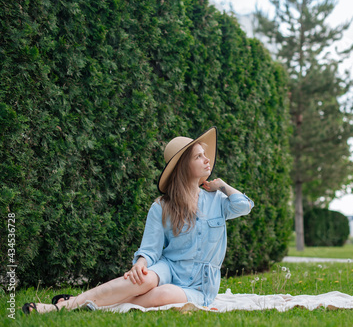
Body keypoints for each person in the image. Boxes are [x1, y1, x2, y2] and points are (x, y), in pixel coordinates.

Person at [22, 127, 254, 314]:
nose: (207, 160)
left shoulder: (219, 200)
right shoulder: (161, 206)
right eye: (198, 156)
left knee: (160, 296)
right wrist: (140, 265)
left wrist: (222, 185)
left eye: (205, 155)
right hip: (169, 267)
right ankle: (57, 308)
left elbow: (244, 206)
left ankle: (79, 302)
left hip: (200, 285)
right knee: (142, 279)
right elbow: (150, 249)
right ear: (184, 165)